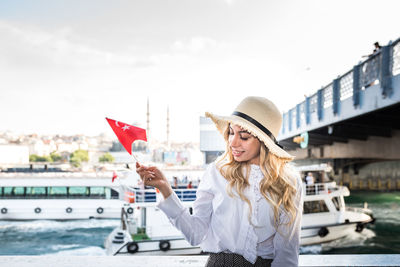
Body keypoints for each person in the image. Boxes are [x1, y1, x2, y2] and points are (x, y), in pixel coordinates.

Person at [136, 96, 303, 267]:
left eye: (244, 136)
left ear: (264, 143)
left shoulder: (289, 182)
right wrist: (165, 189)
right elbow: (195, 234)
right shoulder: (216, 172)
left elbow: (287, 255)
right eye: (231, 132)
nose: (233, 142)